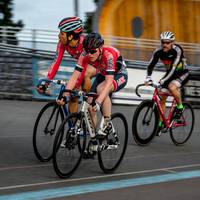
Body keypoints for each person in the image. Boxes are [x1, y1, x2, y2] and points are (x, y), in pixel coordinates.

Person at [57, 32, 128, 140]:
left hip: (119, 75)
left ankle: (106, 124)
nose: (89, 54)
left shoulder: (108, 55)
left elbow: (108, 83)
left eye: (93, 51)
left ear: (100, 48)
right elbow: (75, 76)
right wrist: (65, 94)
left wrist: (99, 102)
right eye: (87, 51)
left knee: (101, 90)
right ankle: (93, 140)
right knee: (90, 106)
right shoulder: (85, 54)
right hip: (103, 73)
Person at [37, 17, 96, 113]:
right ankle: (73, 127)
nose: (59, 36)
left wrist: (73, 87)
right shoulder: (62, 43)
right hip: (81, 67)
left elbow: (82, 69)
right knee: (73, 98)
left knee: (84, 75)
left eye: (62, 33)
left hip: (94, 66)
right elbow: (56, 62)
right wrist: (47, 82)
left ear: (71, 36)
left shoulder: (84, 43)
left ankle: (88, 102)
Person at [145, 31, 190, 132]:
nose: (165, 45)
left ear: (172, 42)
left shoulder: (177, 50)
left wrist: (163, 81)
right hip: (170, 73)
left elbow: (173, 69)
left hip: (182, 73)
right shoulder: (158, 51)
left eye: (167, 42)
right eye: (163, 42)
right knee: (162, 97)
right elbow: (150, 65)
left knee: (171, 87)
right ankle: (161, 123)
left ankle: (180, 106)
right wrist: (148, 77)